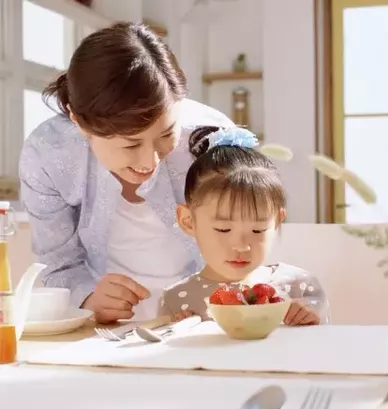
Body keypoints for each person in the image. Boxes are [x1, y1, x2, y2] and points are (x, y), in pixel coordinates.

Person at [18, 22, 233, 323]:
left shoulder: (214, 138)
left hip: (208, 317)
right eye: (131, 144)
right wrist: (87, 297)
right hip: (105, 327)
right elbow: (57, 261)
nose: (150, 161)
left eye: (166, 135)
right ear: (79, 122)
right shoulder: (48, 153)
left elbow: (248, 231)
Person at [158, 126, 329, 325]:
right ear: (188, 221)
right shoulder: (176, 300)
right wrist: (180, 335)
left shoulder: (301, 287)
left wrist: (309, 321)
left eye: (257, 230)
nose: (241, 246)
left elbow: (328, 342)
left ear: (277, 221)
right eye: (223, 229)